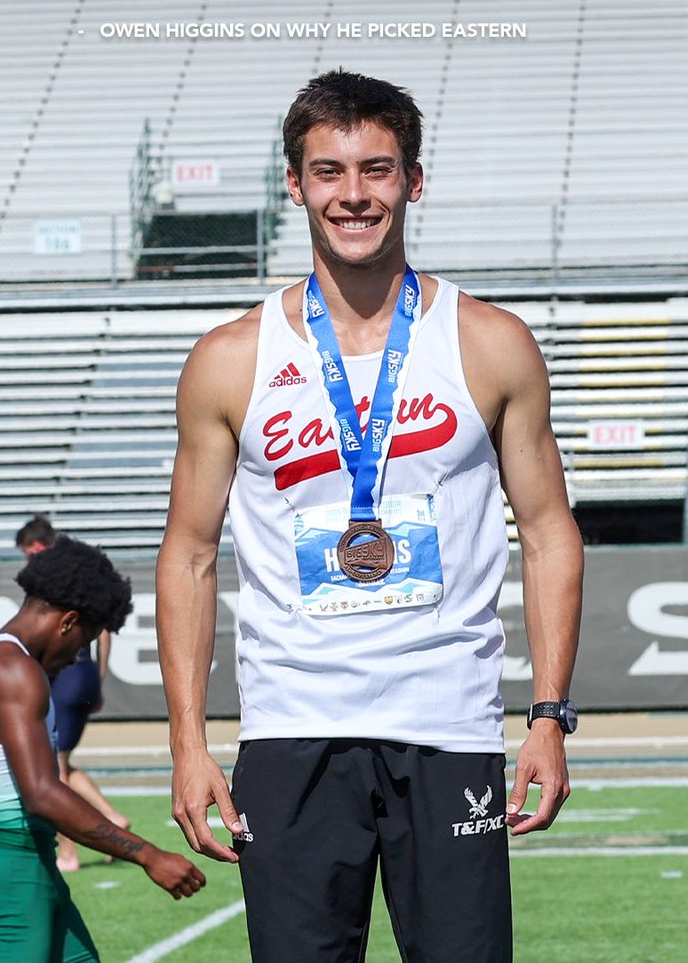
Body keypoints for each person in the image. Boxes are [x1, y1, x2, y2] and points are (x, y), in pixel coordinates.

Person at [156, 69, 584, 963]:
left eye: (378, 170)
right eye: (329, 172)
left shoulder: (490, 341)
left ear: (414, 180)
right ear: (295, 184)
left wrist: (548, 715)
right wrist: (188, 745)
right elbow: (189, 555)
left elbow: (548, 533)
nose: (354, 195)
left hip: (449, 727)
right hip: (291, 733)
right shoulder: (230, 359)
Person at [0, 536, 205, 963]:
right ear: (67, 621)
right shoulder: (16, 670)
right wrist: (148, 854)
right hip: (13, 880)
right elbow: (42, 792)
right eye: (85, 640)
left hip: (16, 872)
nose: (75, 658)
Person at [15, 517, 129, 871]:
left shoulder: (57, 581)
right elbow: (105, 629)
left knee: (52, 770)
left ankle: (69, 851)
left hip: (67, 674)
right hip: (82, 675)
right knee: (61, 761)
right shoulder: (76, 576)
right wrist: (99, 677)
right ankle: (112, 818)